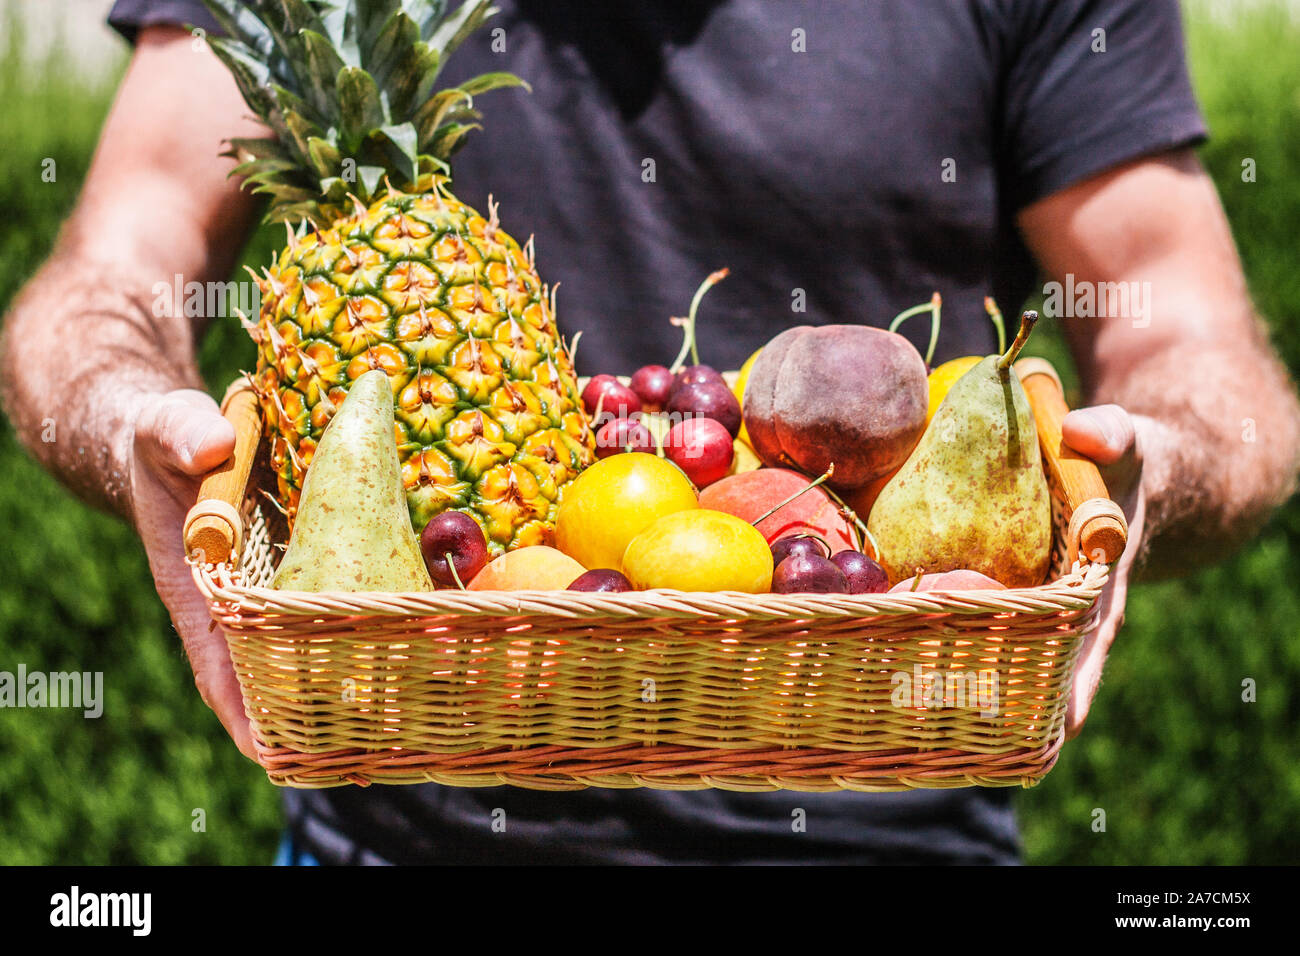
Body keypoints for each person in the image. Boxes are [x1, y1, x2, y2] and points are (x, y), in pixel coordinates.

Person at [2, 0, 1297, 865]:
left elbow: (1190, 341)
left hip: (894, 840)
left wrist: (1155, 468)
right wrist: (131, 418)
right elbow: (116, 260)